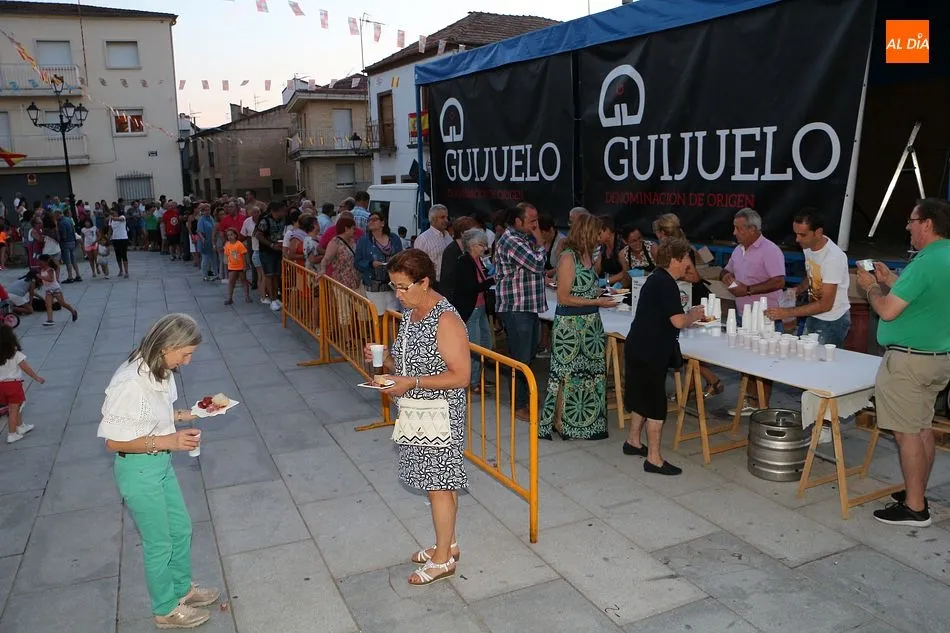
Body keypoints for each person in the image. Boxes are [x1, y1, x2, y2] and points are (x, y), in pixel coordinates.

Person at [97, 314, 220, 628]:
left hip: (159, 464)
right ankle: (165, 610)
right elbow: (113, 441)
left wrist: (189, 414)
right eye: (186, 354)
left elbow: (158, 415)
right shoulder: (130, 381)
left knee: (181, 529)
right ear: (168, 346)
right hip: (139, 471)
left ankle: (182, 589)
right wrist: (171, 440)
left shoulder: (161, 368)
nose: (188, 361)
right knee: (159, 542)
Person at [362, 248, 469, 585]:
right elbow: (406, 364)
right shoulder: (411, 311)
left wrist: (412, 382)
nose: (398, 294)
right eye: (394, 286)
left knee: (438, 485)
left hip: (440, 414)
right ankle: (447, 544)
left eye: (404, 287)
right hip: (416, 411)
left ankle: (442, 560)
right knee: (438, 484)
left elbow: (461, 376)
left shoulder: (446, 319)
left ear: (425, 282)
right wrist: (385, 364)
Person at [856, 198, 950, 527]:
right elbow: (923, 296)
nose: (908, 226)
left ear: (927, 223)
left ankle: (914, 507)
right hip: (937, 359)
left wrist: (870, 288)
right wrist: (890, 280)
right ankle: (917, 491)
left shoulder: (924, 261)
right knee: (922, 429)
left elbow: (888, 310)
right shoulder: (944, 257)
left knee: (906, 434)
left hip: (910, 363)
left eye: (912, 220)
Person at [623, 238, 706, 476]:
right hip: (650, 351)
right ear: (676, 260)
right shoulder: (666, 283)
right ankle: (654, 459)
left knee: (641, 397)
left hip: (639, 347)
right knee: (656, 405)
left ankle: (633, 441)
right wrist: (693, 314)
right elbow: (678, 321)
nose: (689, 263)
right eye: (687, 258)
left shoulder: (657, 278)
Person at [539, 213, 615, 441]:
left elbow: (586, 286)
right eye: (597, 233)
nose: (600, 237)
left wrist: (598, 294)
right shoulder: (568, 258)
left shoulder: (588, 256)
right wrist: (597, 301)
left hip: (590, 326)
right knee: (568, 375)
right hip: (570, 327)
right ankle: (562, 423)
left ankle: (587, 424)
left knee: (591, 375)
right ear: (587, 233)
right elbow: (564, 297)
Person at [720, 208, 785, 413]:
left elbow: (778, 281)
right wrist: (727, 278)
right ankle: (749, 400)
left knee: (764, 361)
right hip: (742, 314)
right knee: (745, 358)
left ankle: (762, 406)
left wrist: (748, 289)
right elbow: (726, 269)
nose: (734, 232)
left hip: (766, 315)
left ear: (752, 229)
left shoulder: (770, 250)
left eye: (738, 228)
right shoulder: (738, 250)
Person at [765, 209, 851, 347]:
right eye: (796, 234)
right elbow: (813, 274)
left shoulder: (833, 258)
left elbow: (826, 305)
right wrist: (798, 290)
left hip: (832, 321)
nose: (797, 239)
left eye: (802, 235)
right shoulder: (808, 246)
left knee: (820, 365)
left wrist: (787, 312)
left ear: (818, 232)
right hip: (815, 314)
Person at [494, 202, 547, 420]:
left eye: (537, 221)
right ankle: (519, 405)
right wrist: (542, 242)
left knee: (529, 353)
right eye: (532, 221)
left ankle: (525, 398)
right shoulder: (512, 240)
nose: (536, 225)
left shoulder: (522, 238)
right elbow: (537, 264)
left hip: (527, 306)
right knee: (520, 358)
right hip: (517, 308)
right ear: (518, 221)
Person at [453, 229, 495, 393]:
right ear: (471, 245)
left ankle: (477, 378)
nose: (484, 248)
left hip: (480, 307)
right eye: (481, 245)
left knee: (486, 344)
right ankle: (473, 382)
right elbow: (471, 287)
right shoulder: (464, 262)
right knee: (475, 347)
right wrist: (492, 280)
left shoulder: (478, 260)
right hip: (470, 309)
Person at [0, 324, 44, 444]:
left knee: (15, 406)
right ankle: (12, 434)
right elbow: (25, 368)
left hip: (1, 386)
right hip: (13, 385)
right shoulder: (15, 354)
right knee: (14, 408)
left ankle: (21, 426)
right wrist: (36, 377)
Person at [356, 210, 403, 315]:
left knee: (394, 314)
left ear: (382, 223)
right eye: (369, 220)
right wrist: (370, 264)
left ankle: (391, 332)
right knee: (379, 315)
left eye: (375, 219)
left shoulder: (394, 238)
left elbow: (401, 257)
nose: (371, 222)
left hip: (392, 284)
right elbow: (357, 262)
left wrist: (395, 261)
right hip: (373, 284)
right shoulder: (364, 241)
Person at [438, 216, 477, 308]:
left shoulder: (466, 249)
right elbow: (448, 279)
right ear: (463, 233)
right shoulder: (451, 251)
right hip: (456, 301)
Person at [255, 201, 288, 307]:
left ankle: (276, 297)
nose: (285, 213)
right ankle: (272, 298)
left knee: (277, 274)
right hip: (267, 251)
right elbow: (258, 235)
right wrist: (271, 245)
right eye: (283, 210)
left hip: (278, 251)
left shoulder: (282, 220)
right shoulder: (265, 221)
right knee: (269, 275)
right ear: (276, 211)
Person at [414, 205, 453, 284]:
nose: (446, 220)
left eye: (446, 217)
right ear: (433, 219)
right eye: (442, 217)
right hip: (433, 284)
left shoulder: (448, 237)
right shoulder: (423, 239)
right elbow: (418, 265)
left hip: (449, 283)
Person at [320, 217, 361, 291]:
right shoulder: (335, 242)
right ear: (346, 229)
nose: (355, 231)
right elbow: (326, 259)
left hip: (354, 281)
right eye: (353, 228)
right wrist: (323, 270)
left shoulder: (352, 241)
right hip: (341, 282)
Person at [37, 255, 78, 325]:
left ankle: (73, 311)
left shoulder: (50, 270)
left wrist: (41, 277)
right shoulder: (41, 269)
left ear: (46, 262)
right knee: (48, 305)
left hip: (55, 289)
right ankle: (50, 320)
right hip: (48, 290)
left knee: (62, 303)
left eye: (40, 261)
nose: (39, 263)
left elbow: (51, 279)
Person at [223, 229, 250, 305]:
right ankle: (230, 298)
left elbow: (244, 255)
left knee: (243, 280)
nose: (230, 237)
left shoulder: (239, 244)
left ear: (235, 235)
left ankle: (247, 296)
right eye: (228, 235)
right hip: (232, 266)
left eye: (231, 235)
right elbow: (226, 255)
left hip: (240, 266)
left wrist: (245, 265)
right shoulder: (227, 244)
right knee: (231, 281)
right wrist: (226, 263)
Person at [55, 210, 80, 283]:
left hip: (66, 243)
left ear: (58, 214)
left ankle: (70, 276)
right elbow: (73, 230)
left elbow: (64, 236)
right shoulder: (69, 219)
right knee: (73, 259)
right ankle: (78, 275)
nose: (55, 217)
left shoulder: (61, 223)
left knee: (68, 261)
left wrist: (60, 240)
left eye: (55, 216)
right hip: (72, 241)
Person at [197, 204, 217, 282]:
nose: (208, 211)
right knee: (205, 259)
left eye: (209, 210)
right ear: (203, 211)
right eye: (206, 210)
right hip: (205, 241)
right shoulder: (201, 219)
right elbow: (199, 231)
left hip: (211, 241)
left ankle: (214, 274)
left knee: (213, 259)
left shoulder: (211, 218)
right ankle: (204, 275)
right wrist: (202, 239)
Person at [109, 209, 130, 278]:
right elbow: (110, 229)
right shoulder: (111, 220)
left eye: (114, 212)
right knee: (118, 255)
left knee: (124, 255)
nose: (113, 213)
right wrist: (108, 238)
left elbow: (120, 219)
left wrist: (112, 218)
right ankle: (120, 270)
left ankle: (126, 272)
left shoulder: (122, 217)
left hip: (123, 238)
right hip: (115, 238)